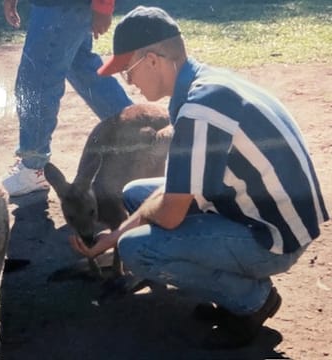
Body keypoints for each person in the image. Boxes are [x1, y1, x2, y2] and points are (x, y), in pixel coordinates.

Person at [69, 5, 329, 349]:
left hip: (276, 237)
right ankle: (234, 285)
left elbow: (171, 213)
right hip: (265, 211)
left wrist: (117, 236)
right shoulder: (205, 83)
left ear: (152, 61)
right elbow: (175, 195)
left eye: (127, 72)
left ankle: (252, 299)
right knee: (135, 194)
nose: (128, 83)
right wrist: (117, 231)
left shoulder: (198, 110)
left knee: (138, 249)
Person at [1, 0, 133, 197]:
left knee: (36, 81)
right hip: (61, 7)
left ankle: (33, 167)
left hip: (61, 7)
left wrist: (103, 6)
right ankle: (137, 130)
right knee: (81, 67)